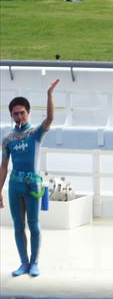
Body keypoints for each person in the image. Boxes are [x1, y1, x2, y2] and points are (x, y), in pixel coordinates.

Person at [0, 79, 60, 277]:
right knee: (18, 226)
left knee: (33, 224)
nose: (19, 116)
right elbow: (4, 165)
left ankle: (34, 262)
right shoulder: (7, 139)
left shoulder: (35, 134)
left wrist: (49, 95)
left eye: (22, 112)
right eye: (15, 113)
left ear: (28, 113)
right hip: (15, 185)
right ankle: (23, 263)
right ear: (11, 115)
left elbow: (50, 119)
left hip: (32, 185)